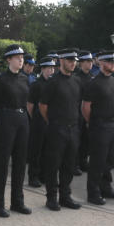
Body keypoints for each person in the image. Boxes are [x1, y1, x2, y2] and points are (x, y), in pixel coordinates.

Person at [0, 45, 32, 216]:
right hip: (6, 119)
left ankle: (17, 202)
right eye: (17, 57)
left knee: (20, 163)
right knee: (1, 164)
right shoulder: (1, 80)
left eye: (22, 57)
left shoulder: (24, 79)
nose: (21, 60)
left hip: (22, 119)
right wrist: (1, 122)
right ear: (8, 59)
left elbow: (27, 102)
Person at [39, 48, 83, 210]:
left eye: (75, 60)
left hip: (73, 128)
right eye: (70, 60)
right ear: (61, 61)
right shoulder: (53, 82)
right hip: (57, 129)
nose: (73, 63)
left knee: (69, 165)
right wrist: (53, 122)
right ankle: (51, 198)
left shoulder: (77, 81)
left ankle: (66, 196)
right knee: (53, 165)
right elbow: (43, 106)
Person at [82, 50, 114, 205]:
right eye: (110, 62)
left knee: (109, 159)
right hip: (99, 125)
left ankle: (106, 187)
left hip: (112, 124)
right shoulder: (94, 83)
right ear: (102, 63)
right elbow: (86, 108)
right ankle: (93, 193)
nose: (113, 65)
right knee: (97, 161)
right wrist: (93, 123)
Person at [27, 57, 54, 188]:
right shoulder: (36, 85)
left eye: (53, 68)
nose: (51, 70)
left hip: (51, 120)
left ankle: (44, 175)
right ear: (43, 69)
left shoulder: (54, 83)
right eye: (48, 68)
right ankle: (33, 176)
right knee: (36, 150)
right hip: (38, 120)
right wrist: (35, 118)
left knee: (48, 150)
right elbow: (30, 105)